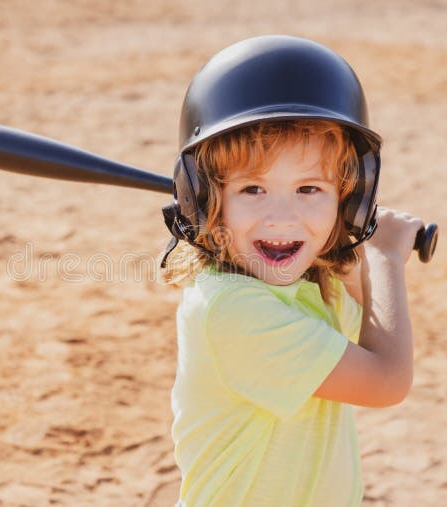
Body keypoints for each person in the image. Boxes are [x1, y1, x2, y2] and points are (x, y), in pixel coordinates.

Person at [158, 35, 424, 506]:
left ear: (350, 197)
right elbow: (387, 380)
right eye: (253, 190)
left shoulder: (308, 281)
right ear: (203, 199)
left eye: (308, 189)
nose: (281, 218)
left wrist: (350, 243)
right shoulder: (234, 311)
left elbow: (377, 325)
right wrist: (383, 255)